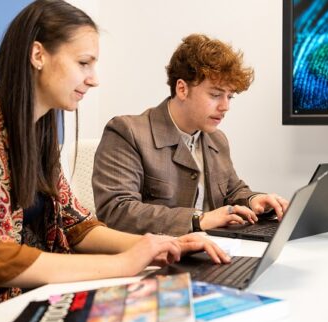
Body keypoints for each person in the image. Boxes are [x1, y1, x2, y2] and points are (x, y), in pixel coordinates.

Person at [0, 0, 228, 305]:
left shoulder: (38, 135)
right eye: (83, 63)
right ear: (38, 55)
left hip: (37, 295)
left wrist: (159, 246)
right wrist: (123, 263)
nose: (94, 78)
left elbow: (77, 225)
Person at [92, 34, 290, 236]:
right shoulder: (127, 132)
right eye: (215, 95)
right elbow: (116, 212)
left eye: (229, 97)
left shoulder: (217, 139)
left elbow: (232, 192)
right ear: (182, 89)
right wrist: (199, 219)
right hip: (154, 259)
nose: (225, 106)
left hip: (211, 252)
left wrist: (253, 199)